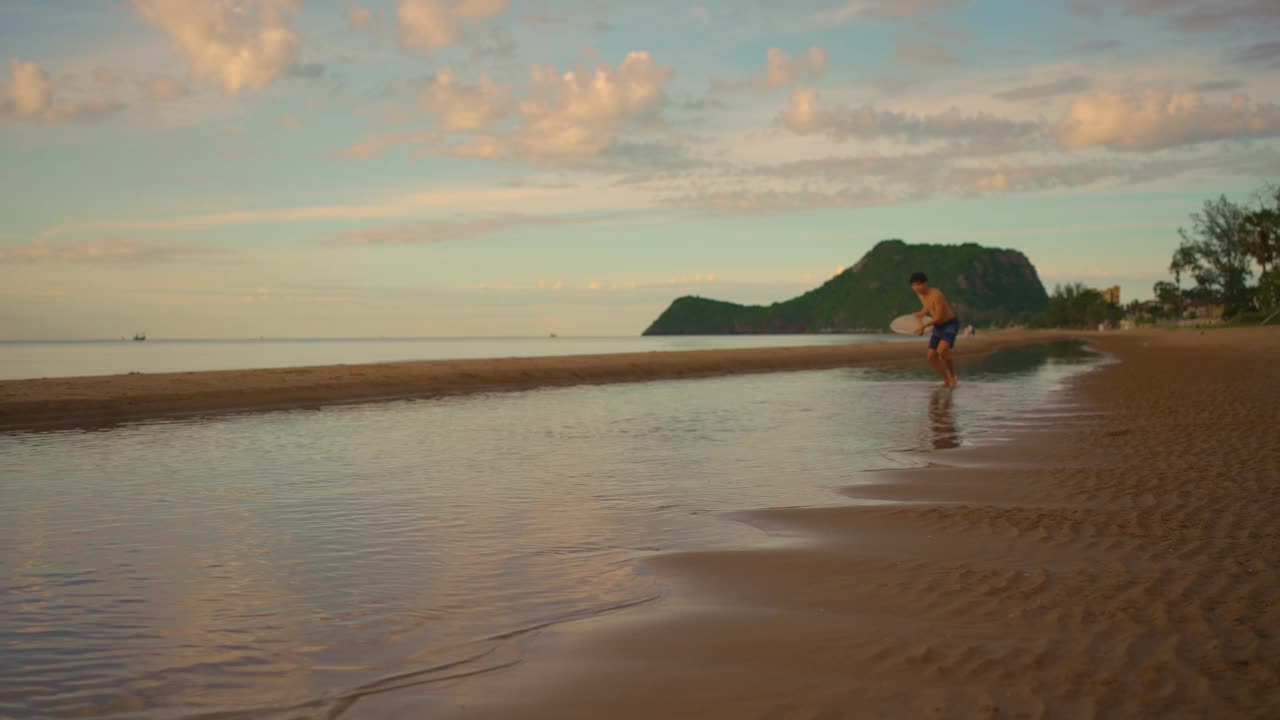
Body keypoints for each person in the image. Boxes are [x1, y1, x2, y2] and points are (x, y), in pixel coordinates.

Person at [909, 271, 959, 388]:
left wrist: (923, 327)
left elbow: (939, 317)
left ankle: (952, 376)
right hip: (938, 326)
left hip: (949, 323)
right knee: (931, 356)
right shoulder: (920, 294)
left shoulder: (937, 295)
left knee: (942, 351)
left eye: (918, 284)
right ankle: (946, 381)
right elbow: (927, 306)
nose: (916, 288)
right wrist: (920, 314)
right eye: (914, 285)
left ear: (925, 283)